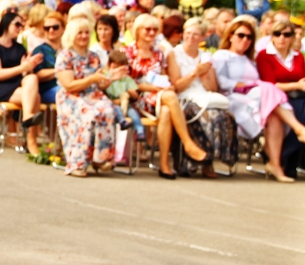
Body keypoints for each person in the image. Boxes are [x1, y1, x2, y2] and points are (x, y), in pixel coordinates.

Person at [213, 18, 305, 183]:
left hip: (258, 98)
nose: (245, 40)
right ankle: (299, 129)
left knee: (273, 114)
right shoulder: (222, 55)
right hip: (235, 98)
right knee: (268, 88)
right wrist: (250, 85)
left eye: (249, 37)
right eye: (241, 35)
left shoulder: (250, 59)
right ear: (231, 36)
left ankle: (274, 164)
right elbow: (223, 82)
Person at [124, 14, 208, 179]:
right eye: (147, 29)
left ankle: (164, 164)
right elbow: (125, 82)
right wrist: (150, 87)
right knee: (169, 97)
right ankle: (188, 143)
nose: (151, 33)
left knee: (166, 111)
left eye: (155, 30)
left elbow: (163, 76)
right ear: (138, 30)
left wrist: (165, 84)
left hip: (158, 96)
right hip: (137, 97)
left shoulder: (158, 54)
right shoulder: (127, 52)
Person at [167, 18, 238, 178]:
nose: (191, 38)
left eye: (195, 35)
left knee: (223, 116)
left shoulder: (206, 56)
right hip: (184, 97)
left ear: (202, 38)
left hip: (204, 96)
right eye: (188, 33)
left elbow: (213, 87)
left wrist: (205, 75)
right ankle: (198, 160)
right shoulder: (174, 54)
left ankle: (211, 161)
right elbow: (176, 85)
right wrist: (195, 73)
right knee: (208, 117)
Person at [54, 18, 118, 176]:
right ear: (72, 35)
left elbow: (98, 83)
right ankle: (77, 163)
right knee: (88, 114)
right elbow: (69, 85)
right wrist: (92, 79)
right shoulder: (65, 56)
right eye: (80, 33)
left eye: (86, 32)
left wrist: (108, 80)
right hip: (72, 97)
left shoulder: (93, 56)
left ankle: (101, 158)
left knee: (108, 111)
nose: (84, 36)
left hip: (92, 94)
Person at [0, 11, 44, 155]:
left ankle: (27, 117)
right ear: (6, 24)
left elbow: (23, 75)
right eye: (16, 24)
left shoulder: (19, 48)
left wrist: (29, 67)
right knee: (36, 98)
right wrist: (21, 68)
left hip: (16, 85)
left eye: (21, 25)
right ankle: (31, 141)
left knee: (32, 79)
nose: (19, 28)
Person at [256, 19, 305, 179]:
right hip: (275, 99)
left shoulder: (298, 56)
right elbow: (270, 84)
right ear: (272, 36)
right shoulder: (264, 56)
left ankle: (291, 161)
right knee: (299, 113)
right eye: (277, 34)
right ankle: (283, 158)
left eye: (287, 34)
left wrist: (299, 85)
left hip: (298, 96)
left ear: (292, 37)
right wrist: (296, 85)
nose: (282, 38)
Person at [31, 12, 64, 105]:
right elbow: (38, 74)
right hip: (49, 89)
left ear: (63, 28)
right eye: (47, 28)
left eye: (55, 27)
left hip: (69, 86)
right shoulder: (39, 50)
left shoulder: (69, 49)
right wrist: (60, 70)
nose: (51, 30)